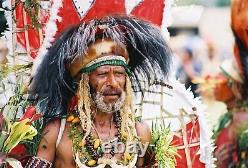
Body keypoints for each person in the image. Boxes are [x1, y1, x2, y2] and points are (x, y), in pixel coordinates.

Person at [25, 16, 172, 168]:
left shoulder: (139, 132)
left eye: (119, 74)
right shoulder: (57, 132)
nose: (113, 83)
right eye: (102, 74)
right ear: (84, 82)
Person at [213, 0, 248, 167]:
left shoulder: (241, 119)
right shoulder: (229, 117)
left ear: (235, 86)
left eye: (224, 78)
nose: (215, 80)